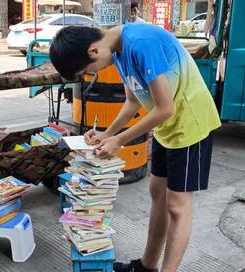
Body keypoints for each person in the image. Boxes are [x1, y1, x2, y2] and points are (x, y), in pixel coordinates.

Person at [49, 23, 221, 272]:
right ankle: (146, 266)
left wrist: (119, 140)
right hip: (166, 128)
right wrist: (107, 133)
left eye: (89, 70)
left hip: (190, 125)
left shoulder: (141, 43)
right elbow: (132, 101)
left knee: (176, 205)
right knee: (156, 193)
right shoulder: (117, 50)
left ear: (93, 51)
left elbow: (165, 108)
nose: (95, 73)